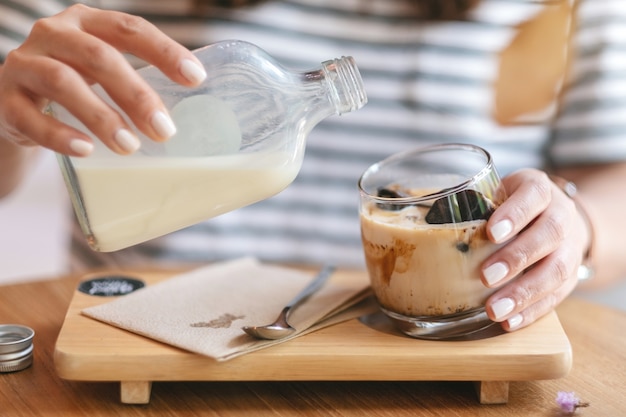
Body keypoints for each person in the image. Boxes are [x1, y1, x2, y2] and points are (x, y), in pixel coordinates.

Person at [1, 0, 625, 333]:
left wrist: (579, 225)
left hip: (421, 345)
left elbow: (614, 178)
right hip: (141, 328)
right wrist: (7, 114)